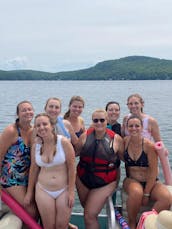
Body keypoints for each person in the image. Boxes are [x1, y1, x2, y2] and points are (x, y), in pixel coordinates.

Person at [25, 113, 76, 229]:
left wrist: (71, 191)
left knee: (61, 225)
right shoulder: (36, 146)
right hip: (43, 190)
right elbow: (33, 169)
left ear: (52, 126)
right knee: (49, 226)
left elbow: (72, 167)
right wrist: (29, 192)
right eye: (38, 125)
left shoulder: (63, 142)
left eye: (44, 124)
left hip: (64, 189)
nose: (41, 127)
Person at [121, 115, 171, 229]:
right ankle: (132, 222)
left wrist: (147, 193)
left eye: (137, 126)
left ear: (142, 127)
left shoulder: (149, 146)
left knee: (166, 198)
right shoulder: (125, 142)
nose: (134, 128)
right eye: (131, 126)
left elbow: (153, 171)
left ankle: (146, 220)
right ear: (127, 128)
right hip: (131, 180)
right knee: (136, 193)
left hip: (150, 180)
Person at [75, 109, 124, 229]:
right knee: (88, 210)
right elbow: (73, 154)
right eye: (95, 120)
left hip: (105, 182)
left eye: (102, 120)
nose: (99, 123)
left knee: (89, 216)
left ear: (107, 121)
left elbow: (124, 160)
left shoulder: (116, 139)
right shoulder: (84, 136)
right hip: (82, 180)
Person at [0, 101, 37, 220]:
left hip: (27, 177)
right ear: (18, 114)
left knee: (38, 207)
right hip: (11, 177)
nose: (27, 112)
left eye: (30, 109)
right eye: (24, 110)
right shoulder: (11, 131)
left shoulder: (34, 131)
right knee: (30, 210)